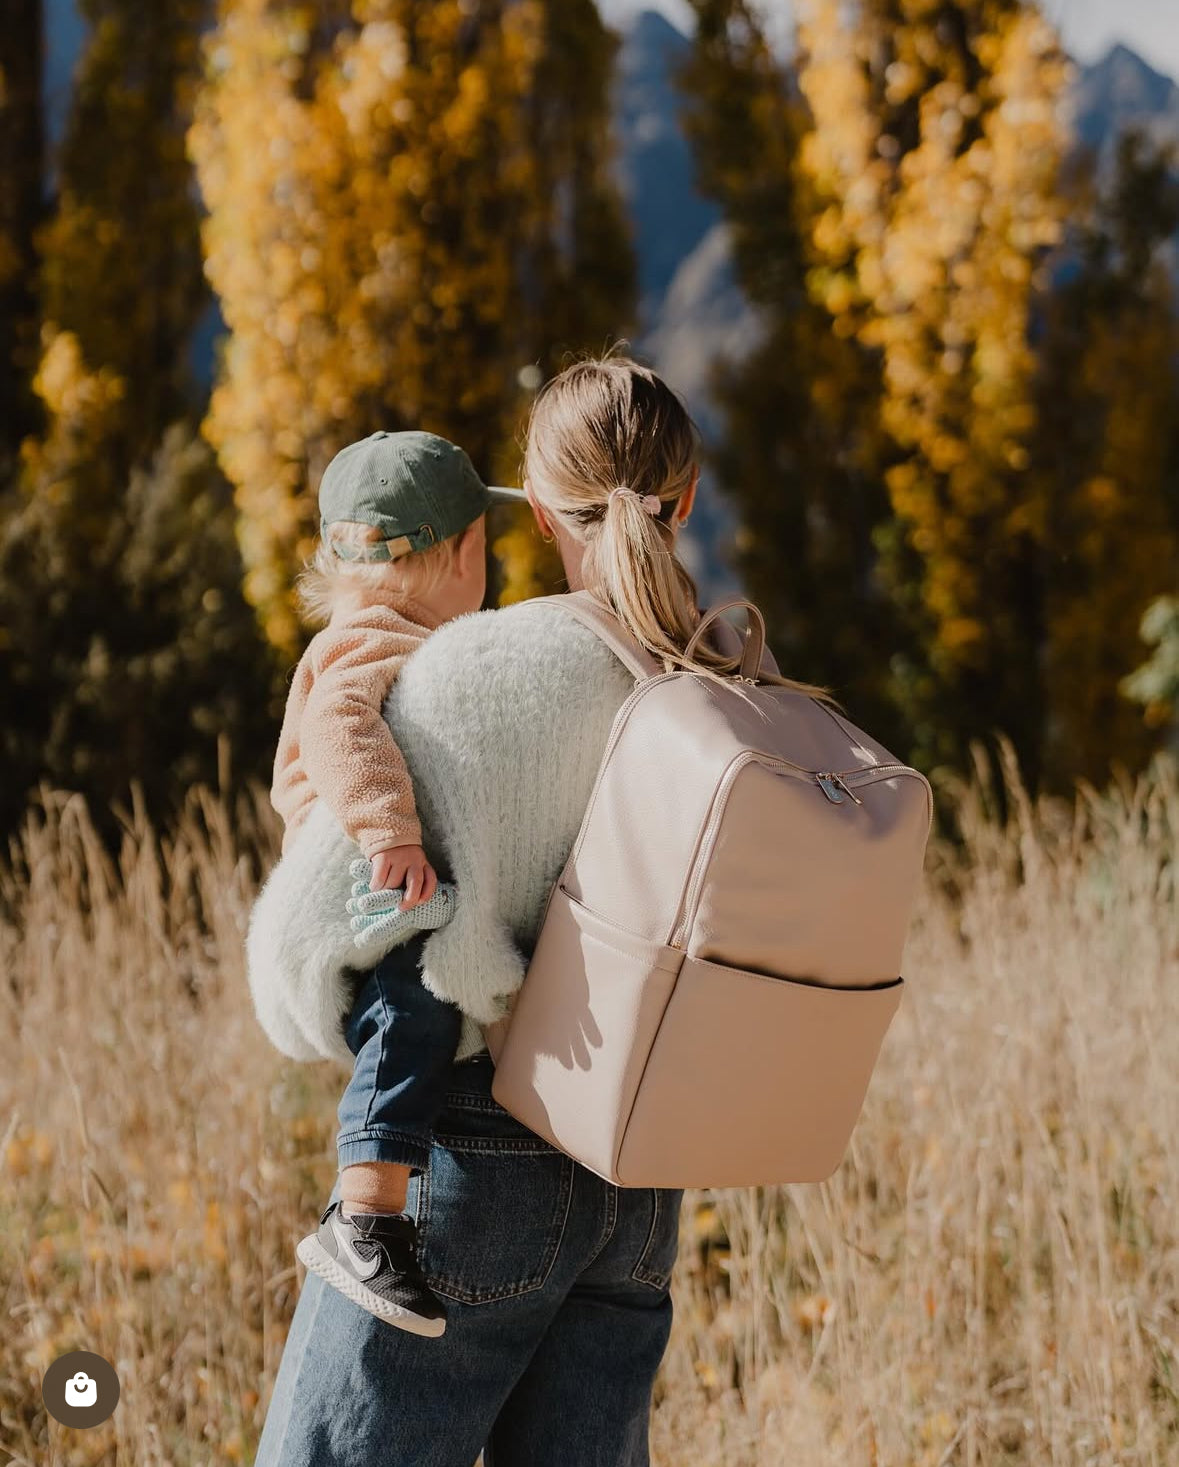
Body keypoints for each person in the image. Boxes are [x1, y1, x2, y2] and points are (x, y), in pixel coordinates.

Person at [248, 355, 780, 1466]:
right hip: (638, 1173)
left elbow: (311, 924)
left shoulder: (466, 674)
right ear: (683, 501)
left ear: (537, 513)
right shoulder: (718, 673)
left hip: (472, 1157)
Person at [269, 428, 525, 1335]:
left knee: (428, 998)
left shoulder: (377, 627)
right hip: (355, 874)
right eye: (486, 548)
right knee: (411, 1000)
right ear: (458, 554)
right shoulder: (369, 640)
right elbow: (338, 728)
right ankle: (366, 1216)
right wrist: (388, 832)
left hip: (372, 868)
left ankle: (379, 1203)